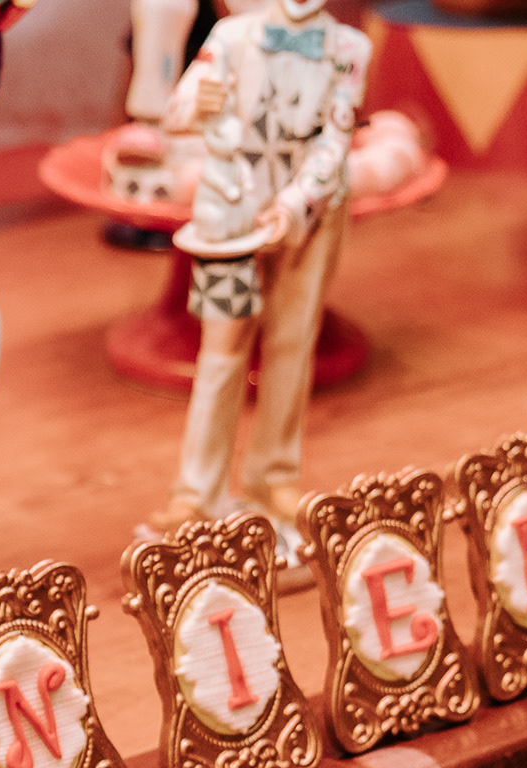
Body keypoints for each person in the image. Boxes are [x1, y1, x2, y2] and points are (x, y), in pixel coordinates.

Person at [144, 0, 369, 548]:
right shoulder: (230, 37)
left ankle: (274, 478)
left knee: (293, 340)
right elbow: (177, 111)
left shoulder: (349, 49)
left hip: (310, 215)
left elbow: (334, 142)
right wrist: (194, 106)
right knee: (222, 347)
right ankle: (196, 491)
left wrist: (294, 205)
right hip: (230, 210)